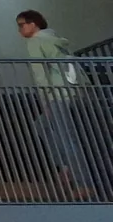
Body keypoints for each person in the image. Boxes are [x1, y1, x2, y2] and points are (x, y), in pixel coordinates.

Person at [17, 10, 106, 197]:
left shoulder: (35, 41)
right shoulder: (55, 38)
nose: (20, 29)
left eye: (22, 24)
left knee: (68, 140)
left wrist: (45, 101)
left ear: (34, 24)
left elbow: (40, 74)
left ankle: (83, 183)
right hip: (78, 91)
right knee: (44, 125)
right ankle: (71, 168)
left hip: (58, 94)